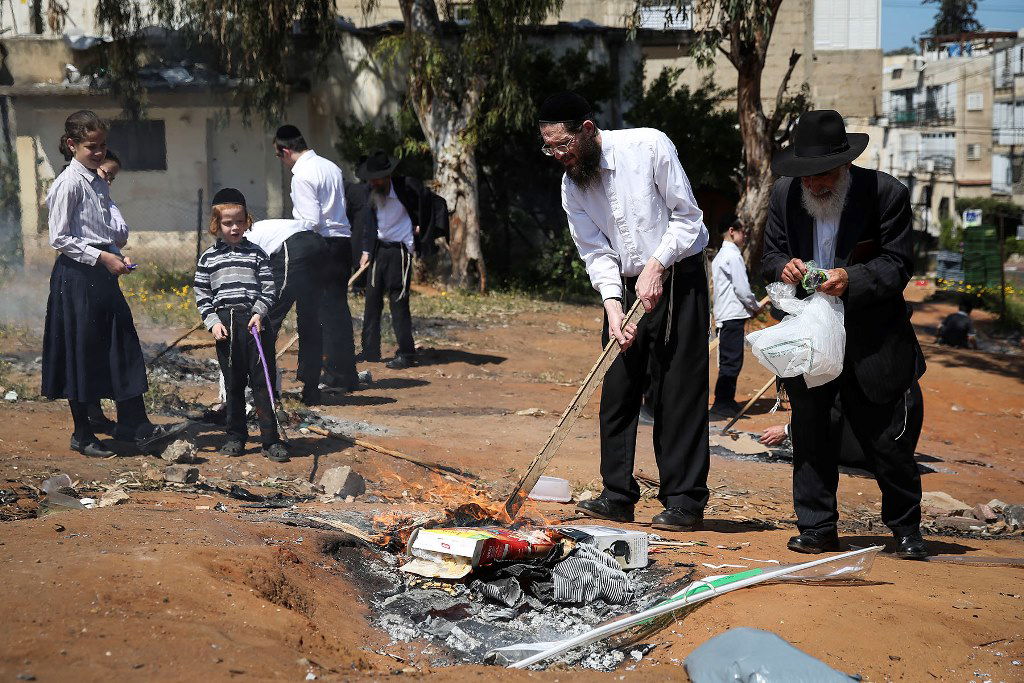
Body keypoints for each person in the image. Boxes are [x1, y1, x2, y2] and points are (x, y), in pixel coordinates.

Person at [539, 91, 711, 532]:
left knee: (677, 391)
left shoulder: (648, 146)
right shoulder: (572, 185)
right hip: (625, 286)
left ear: (587, 130)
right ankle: (617, 495)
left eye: (564, 145)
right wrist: (613, 305)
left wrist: (657, 265)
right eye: (549, 148)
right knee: (617, 387)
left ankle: (684, 500)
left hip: (677, 275)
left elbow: (687, 217)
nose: (558, 155)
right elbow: (595, 250)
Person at [762, 109, 927, 560]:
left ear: (845, 165)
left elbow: (897, 265)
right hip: (810, 335)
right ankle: (817, 527)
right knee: (812, 431)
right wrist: (784, 268)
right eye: (807, 176)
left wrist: (850, 278)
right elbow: (771, 254)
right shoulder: (784, 194)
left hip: (872, 337)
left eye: (824, 175)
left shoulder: (885, 193)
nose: (814, 185)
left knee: (886, 438)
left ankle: (906, 527)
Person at [42, 110, 187, 457]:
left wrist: (115, 255)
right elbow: (59, 237)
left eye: (103, 145)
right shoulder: (68, 183)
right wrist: (102, 257)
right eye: (91, 146)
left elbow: (110, 231)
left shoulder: (97, 181)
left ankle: (134, 424)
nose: (99, 152)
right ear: (72, 144)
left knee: (122, 344)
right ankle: (83, 433)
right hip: (77, 277)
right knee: (82, 351)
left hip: (103, 274)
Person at [194, 188, 288, 463]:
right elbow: (202, 294)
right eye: (227, 223)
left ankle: (270, 439)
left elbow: (269, 288)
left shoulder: (257, 254)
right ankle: (235, 436)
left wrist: (259, 312)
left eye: (239, 221)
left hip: (255, 324)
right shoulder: (208, 258)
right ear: (216, 225)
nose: (234, 227)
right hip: (226, 326)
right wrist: (212, 322)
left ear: (247, 221)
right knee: (233, 384)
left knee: (262, 382)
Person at [274, 124, 359, 391]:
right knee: (338, 310)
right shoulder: (330, 166)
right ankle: (345, 373)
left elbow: (309, 221)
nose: (281, 161)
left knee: (320, 313)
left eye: (279, 156)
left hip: (321, 244)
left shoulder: (302, 175)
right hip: (342, 243)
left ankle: (333, 375)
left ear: (285, 151)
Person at [351, 149, 449, 369]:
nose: (373, 183)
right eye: (371, 179)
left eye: (377, 179)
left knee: (398, 302)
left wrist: (421, 227)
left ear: (387, 176)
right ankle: (370, 350)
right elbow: (369, 224)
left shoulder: (408, 188)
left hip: (400, 252)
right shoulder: (371, 192)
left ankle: (406, 353)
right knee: (372, 302)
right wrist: (366, 251)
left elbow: (431, 204)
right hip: (378, 250)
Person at [245, 217, 327, 405]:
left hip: (294, 247)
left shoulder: (240, 242)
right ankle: (311, 391)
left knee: (265, 322)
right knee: (311, 321)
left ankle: (267, 393)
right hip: (318, 244)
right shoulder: (252, 230)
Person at [711, 220, 763, 416]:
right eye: (743, 232)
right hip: (732, 315)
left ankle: (727, 400)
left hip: (727, 314)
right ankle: (722, 403)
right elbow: (742, 288)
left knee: (729, 359)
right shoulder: (732, 256)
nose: (746, 236)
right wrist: (755, 306)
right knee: (731, 361)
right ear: (732, 231)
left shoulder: (721, 255)